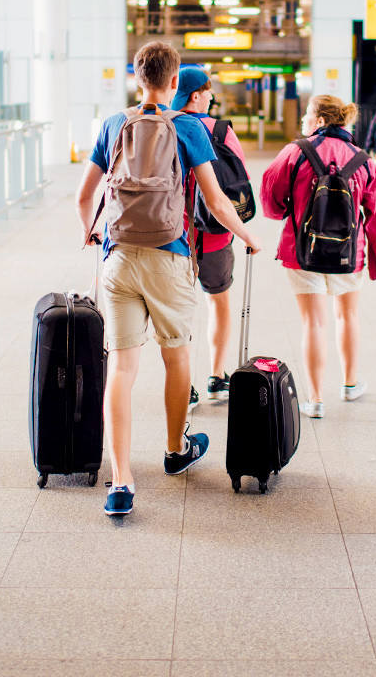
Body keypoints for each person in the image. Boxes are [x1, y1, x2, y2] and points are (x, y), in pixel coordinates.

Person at [75, 42, 262, 517]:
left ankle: (121, 482)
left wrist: (93, 233)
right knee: (177, 358)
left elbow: (84, 198)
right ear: (175, 82)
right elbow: (218, 203)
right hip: (170, 256)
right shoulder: (188, 127)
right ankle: (176, 449)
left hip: (118, 258)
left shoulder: (115, 124)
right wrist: (247, 236)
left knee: (121, 367)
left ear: (138, 79)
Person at [260, 95, 376, 419]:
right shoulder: (364, 159)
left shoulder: (296, 151)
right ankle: (349, 383)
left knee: (313, 323)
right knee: (348, 316)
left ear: (319, 120)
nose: (303, 119)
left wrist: (287, 211)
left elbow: (271, 195)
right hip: (348, 253)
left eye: (307, 114)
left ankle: (315, 400)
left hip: (303, 251)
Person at [173, 65, 251, 401]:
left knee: (177, 310)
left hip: (173, 236)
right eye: (207, 91)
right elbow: (239, 180)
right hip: (216, 236)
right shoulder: (221, 130)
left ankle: (183, 384)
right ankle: (217, 377)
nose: (211, 96)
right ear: (196, 95)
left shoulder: (166, 126)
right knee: (218, 303)